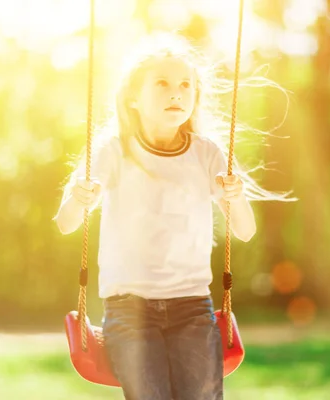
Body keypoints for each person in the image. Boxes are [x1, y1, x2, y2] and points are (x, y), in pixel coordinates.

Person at [53, 33, 289, 400]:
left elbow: (245, 230)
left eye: (185, 85)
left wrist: (237, 197)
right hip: (128, 310)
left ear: (196, 96)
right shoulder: (114, 152)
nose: (175, 93)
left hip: (192, 307)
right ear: (133, 97)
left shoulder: (207, 154)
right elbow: (66, 222)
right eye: (161, 83)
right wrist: (77, 198)